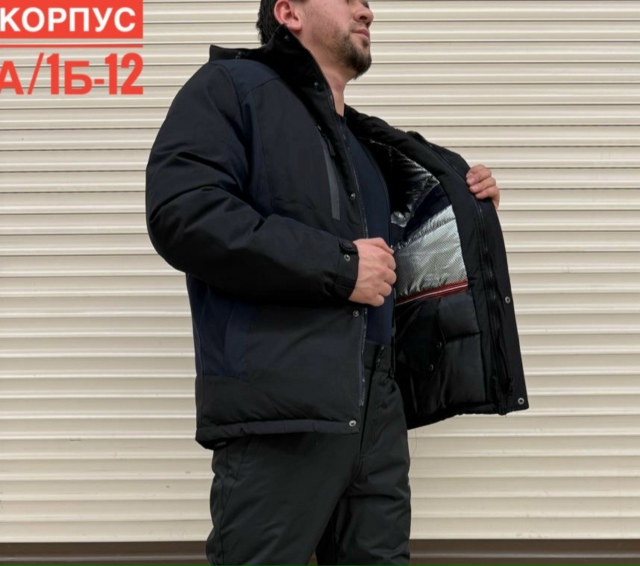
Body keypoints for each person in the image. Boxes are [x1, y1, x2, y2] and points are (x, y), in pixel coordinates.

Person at [145, 1, 528, 564]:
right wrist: (341, 266)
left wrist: (462, 205)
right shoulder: (230, 88)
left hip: (378, 403)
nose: (364, 9)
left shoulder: (363, 143)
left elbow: (398, 254)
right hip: (284, 409)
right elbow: (184, 215)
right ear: (288, 13)